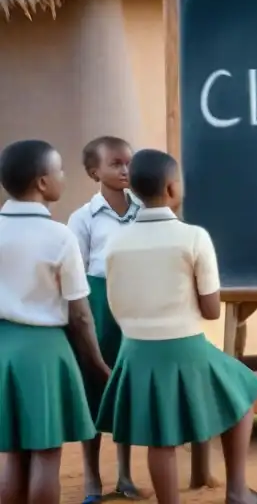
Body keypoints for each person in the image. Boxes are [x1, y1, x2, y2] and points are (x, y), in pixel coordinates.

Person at [96, 149, 257, 504]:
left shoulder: (115, 241)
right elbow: (211, 310)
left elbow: (115, 303)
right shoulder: (193, 237)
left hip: (136, 348)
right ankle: (237, 491)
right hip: (183, 344)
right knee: (243, 395)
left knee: (162, 436)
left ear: (133, 191)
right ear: (172, 189)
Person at [0, 140, 109, 504]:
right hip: (45, 353)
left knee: (13, 454)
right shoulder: (59, 236)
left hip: (3, 350)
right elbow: (79, 314)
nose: (64, 175)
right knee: (47, 455)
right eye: (60, 170)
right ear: (43, 182)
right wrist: (95, 362)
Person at [67, 136, 143, 503]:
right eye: (115, 163)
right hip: (98, 309)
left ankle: (125, 475)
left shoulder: (145, 210)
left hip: (136, 306)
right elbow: (74, 274)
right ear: (94, 171)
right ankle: (91, 479)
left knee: (125, 388)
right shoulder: (82, 218)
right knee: (95, 386)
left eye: (129, 162)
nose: (125, 169)